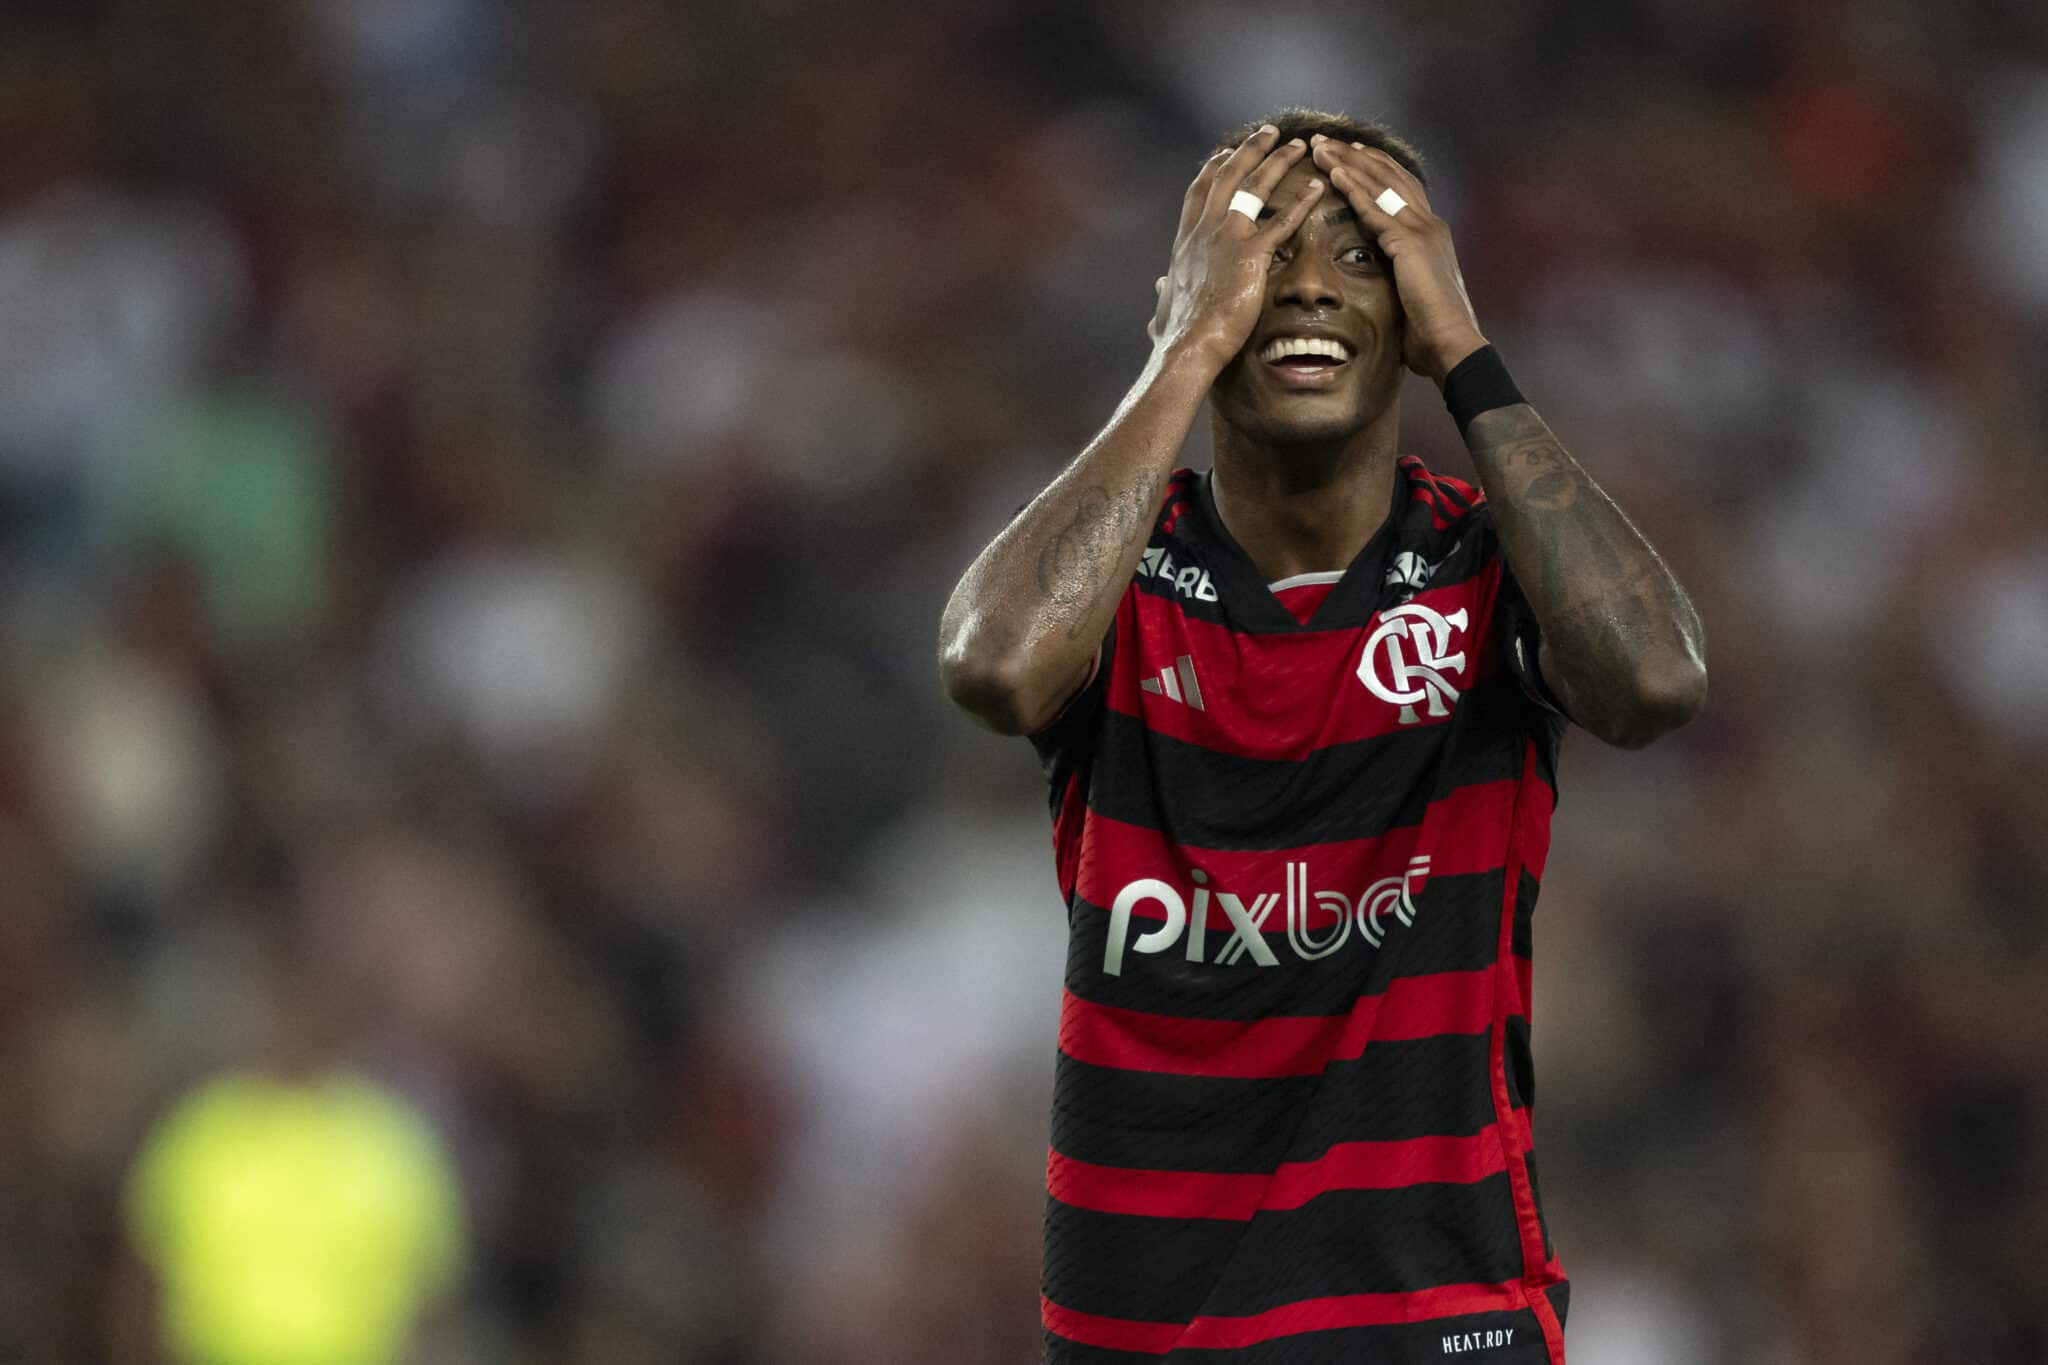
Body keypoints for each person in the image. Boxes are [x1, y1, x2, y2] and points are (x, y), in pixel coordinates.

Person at [937, 107, 1707, 1364]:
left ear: (1415, 309)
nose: (1303, 285)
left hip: (1439, 1316)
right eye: (1261, 251)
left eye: (1363, 255)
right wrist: (1181, 351)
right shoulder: (1119, 583)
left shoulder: (1481, 570)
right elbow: (995, 667)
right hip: (1147, 1331)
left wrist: (1467, 353)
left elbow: (1654, 680)